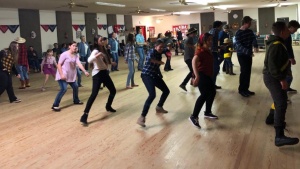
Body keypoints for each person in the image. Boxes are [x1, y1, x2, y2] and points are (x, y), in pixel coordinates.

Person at [263, 21, 299, 147]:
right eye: (288, 30)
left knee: (280, 100)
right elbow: (272, 67)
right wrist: (282, 80)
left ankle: (271, 118)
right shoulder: (276, 45)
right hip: (272, 77)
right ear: (283, 32)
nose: (290, 32)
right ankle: (279, 136)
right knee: (281, 103)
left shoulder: (277, 42)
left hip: (274, 77)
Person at [80, 35, 117, 125]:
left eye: (103, 40)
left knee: (113, 90)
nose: (103, 41)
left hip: (104, 73)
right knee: (94, 94)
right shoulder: (96, 51)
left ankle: (108, 106)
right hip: (97, 74)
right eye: (101, 40)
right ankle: (84, 115)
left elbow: (103, 61)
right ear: (97, 42)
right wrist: (97, 55)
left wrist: (110, 62)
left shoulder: (103, 49)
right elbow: (89, 60)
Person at [136, 40, 170, 127]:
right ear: (155, 46)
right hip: (146, 75)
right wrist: (159, 62)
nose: (161, 49)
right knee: (152, 95)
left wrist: (169, 49)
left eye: (162, 47)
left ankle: (159, 107)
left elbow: (167, 48)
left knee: (166, 91)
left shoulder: (162, 50)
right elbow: (150, 59)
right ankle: (142, 117)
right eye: (160, 47)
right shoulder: (151, 51)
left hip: (154, 75)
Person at [189, 33, 218, 129]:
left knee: (212, 92)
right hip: (202, 75)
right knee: (205, 94)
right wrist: (197, 76)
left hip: (207, 75)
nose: (211, 41)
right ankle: (194, 116)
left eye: (211, 39)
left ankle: (207, 112)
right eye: (208, 40)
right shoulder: (200, 51)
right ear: (203, 41)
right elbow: (194, 61)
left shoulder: (207, 50)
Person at [51, 41, 89, 112]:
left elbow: (79, 64)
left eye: (76, 46)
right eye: (74, 45)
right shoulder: (64, 54)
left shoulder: (76, 55)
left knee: (75, 86)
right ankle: (55, 105)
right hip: (63, 75)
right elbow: (59, 65)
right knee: (64, 89)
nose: (75, 47)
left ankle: (76, 100)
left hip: (71, 76)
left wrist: (85, 71)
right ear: (69, 46)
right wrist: (61, 74)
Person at [235, 16, 258, 97]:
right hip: (241, 55)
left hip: (248, 54)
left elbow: (254, 39)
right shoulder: (238, 33)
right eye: (249, 23)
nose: (250, 24)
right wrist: (248, 52)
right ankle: (241, 90)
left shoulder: (250, 31)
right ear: (245, 23)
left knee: (248, 71)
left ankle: (246, 89)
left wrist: (255, 46)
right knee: (244, 72)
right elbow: (238, 45)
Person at [179, 27, 198, 92]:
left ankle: (192, 82)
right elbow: (186, 44)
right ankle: (183, 83)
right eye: (194, 33)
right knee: (193, 71)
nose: (195, 34)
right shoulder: (189, 38)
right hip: (188, 57)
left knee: (193, 71)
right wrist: (193, 47)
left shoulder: (190, 38)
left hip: (189, 57)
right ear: (191, 33)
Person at [209, 21, 223, 89]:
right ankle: (211, 85)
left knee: (215, 68)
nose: (221, 28)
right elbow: (211, 42)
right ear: (218, 26)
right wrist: (218, 48)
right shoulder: (215, 31)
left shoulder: (212, 30)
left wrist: (219, 47)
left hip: (213, 51)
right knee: (215, 68)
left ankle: (212, 84)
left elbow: (213, 43)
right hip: (213, 52)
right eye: (221, 26)